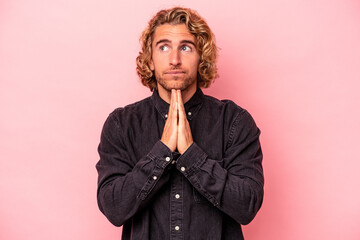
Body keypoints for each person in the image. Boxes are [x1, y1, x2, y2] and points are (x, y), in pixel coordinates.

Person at [96, 7, 264, 240]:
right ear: (150, 60)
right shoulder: (121, 124)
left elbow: (247, 205)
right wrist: (162, 152)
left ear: (201, 58)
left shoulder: (234, 121)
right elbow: (114, 208)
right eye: (163, 47)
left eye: (185, 47)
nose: (174, 60)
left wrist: (192, 155)